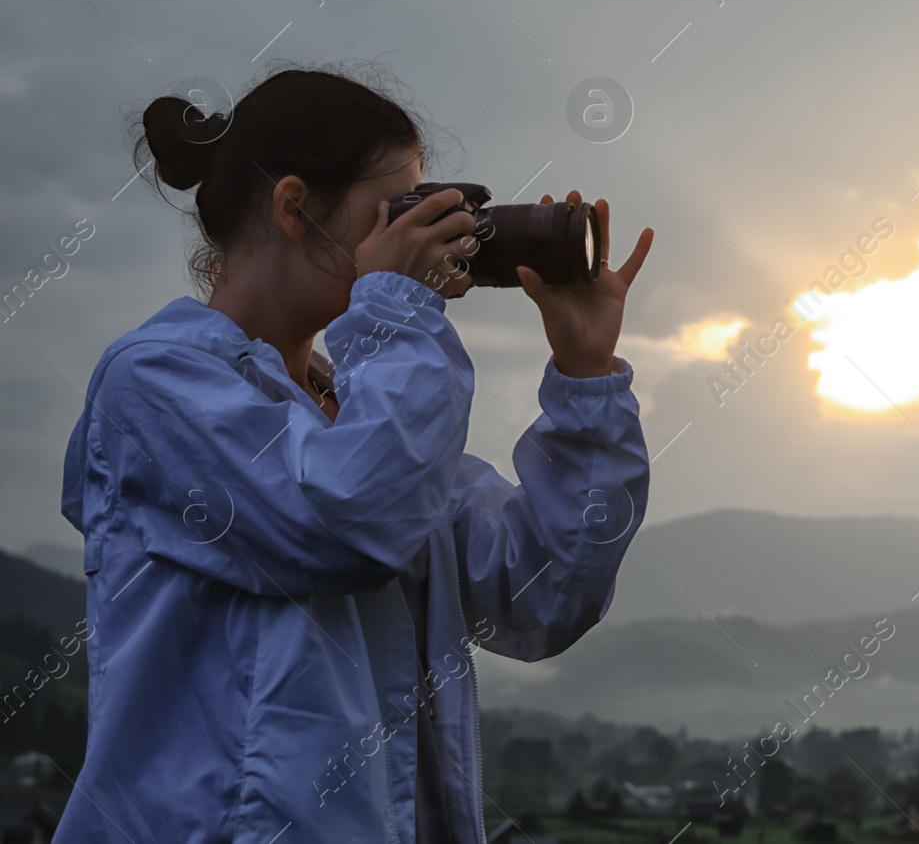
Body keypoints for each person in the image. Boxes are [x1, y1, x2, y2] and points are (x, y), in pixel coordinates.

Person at [57, 65, 654, 842]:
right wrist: (398, 311)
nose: (420, 238)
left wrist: (584, 375)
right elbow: (345, 524)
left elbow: (539, 595)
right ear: (294, 207)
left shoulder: (356, 404)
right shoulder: (156, 384)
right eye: (395, 215)